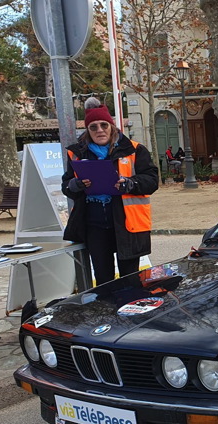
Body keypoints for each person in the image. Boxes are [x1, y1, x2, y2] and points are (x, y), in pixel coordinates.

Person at [62, 97, 159, 285]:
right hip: (94, 225)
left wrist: (130, 183)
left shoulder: (134, 150)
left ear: (112, 127)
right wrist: (75, 185)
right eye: (93, 127)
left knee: (130, 280)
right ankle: (107, 304)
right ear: (88, 130)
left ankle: (129, 304)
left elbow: (152, 180)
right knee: (103, 280)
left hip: (127, 225)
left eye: (104, 125)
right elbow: (66, 185)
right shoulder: (76, 153)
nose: (99, 130)